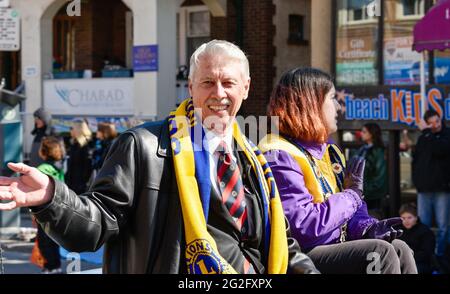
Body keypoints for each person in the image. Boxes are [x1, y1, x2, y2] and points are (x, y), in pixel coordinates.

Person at [0, 40, 317, 274]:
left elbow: (283, 245)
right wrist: (50, 198)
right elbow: (96, 223)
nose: (218, 93)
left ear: (245, 88)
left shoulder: (253, 161)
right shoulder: (143, 147)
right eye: (208, 82)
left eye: (228, 83)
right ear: (191, 86)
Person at [259, 67, 417, 274]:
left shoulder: (330, 152)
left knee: (399, 248)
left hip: (329, 245)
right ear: (310, 104)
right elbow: (303, 227)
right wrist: (351, 196)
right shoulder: (278, 153)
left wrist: (366, 228)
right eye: (332, 98)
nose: (338, 106)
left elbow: (351, 212)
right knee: (379, 253)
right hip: (296, 254)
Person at [412, 109, 450, 270]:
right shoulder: (424, 138)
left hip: (442, 189)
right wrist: (417, 182)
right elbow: (417, 160)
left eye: (437, 121)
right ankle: (427, 256)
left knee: (443, 226)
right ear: (427, 123)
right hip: (424, 189)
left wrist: (427, 132)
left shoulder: (446, 135)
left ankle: (441, 256)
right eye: (431, 122)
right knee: (424, 225)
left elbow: (441, 149)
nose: (435, 125)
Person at [35, 136, 65, 274]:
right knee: (53, 239)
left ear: (44, 151)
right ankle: (56, 265)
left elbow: (37, 192)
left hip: (44, 209)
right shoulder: (59, 167)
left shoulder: (42, 168)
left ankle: (50, 266)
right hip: (58, 208)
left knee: (43, 240)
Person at [356, 123, 388, 219]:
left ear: (372, 134)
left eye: (364, 132)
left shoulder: (378, 151)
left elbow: (380, 176)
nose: (361, 134)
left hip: (372, 195)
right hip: (362, 192)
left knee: (372, 220)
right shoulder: (362, 149)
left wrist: (367, 190)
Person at [398, 203, 435, 274]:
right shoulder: (398, 230)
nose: (406, 221)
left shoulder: (425, 231)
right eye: (403, 218)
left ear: (416, 217)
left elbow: (427, 253)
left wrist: (408, 259)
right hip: (400, 261)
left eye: (409, 217)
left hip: (420, 263)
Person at [65, 119, 94, 194]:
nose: (70, 131)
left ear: (78, 129)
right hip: (72, 184)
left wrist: (83, 184)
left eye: (71, 128)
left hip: (80, 187)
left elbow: (88, 167)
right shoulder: (74, 144)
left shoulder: (86, 146)